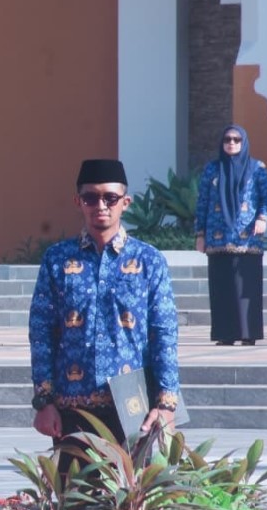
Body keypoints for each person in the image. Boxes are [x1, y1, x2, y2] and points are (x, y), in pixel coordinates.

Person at [29, 159, 180, 471]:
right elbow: (41, 333)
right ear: (78, 202)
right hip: (73, 405)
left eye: (110, 198)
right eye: (91, 198)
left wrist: (166, 404)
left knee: (129, 508)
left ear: (125, 202)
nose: (101, 205)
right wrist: (44, 402)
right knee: (76, 503)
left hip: (132, 403)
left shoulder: (149, 261)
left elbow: (163, 333)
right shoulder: (58, 260)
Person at [194, 124, 267, 346]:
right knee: (222, 287)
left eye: (237, 139)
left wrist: (262, 218)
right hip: (217, 238)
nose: (231, 143)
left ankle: (249, 333)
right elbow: (202, 202)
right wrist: (200, 234)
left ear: (244, 142)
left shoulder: (256, 168)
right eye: (227, 139)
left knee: (246, 287)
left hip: (247, 238)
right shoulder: (212, 169)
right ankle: (225, 333)